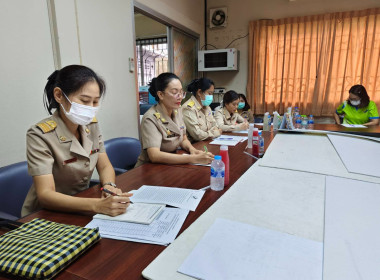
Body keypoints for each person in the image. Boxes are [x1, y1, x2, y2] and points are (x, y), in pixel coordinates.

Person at [22, 65, 132, 217]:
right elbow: (46, 195)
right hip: (45, 214)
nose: (91, 108)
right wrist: (97, 205)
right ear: (59, 95)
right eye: (85, 100)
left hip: (82, 204)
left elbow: (105, 165)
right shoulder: (39, 134)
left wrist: (109, 186)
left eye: (95, 102)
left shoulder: (91, 125)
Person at [135, 73, 214, 167]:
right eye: (174, 92)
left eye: (181, 92)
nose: (180, 96)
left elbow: (183, 138)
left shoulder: (177, 110)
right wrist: (192, 158)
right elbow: (154, 155)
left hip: (169, 164)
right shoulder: (150, 118)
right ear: (160, 95)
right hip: (149, 169)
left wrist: (193, 150)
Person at [182, 78, 222, 142]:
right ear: (199, 92)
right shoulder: (188, 108)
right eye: (209, 93)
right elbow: (197, 135)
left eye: (212, 93)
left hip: (208, 142)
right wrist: (215, 133)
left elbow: (215, 125)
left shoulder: (207, 107)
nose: (211, 96)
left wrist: (208, 133)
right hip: (195, 146)